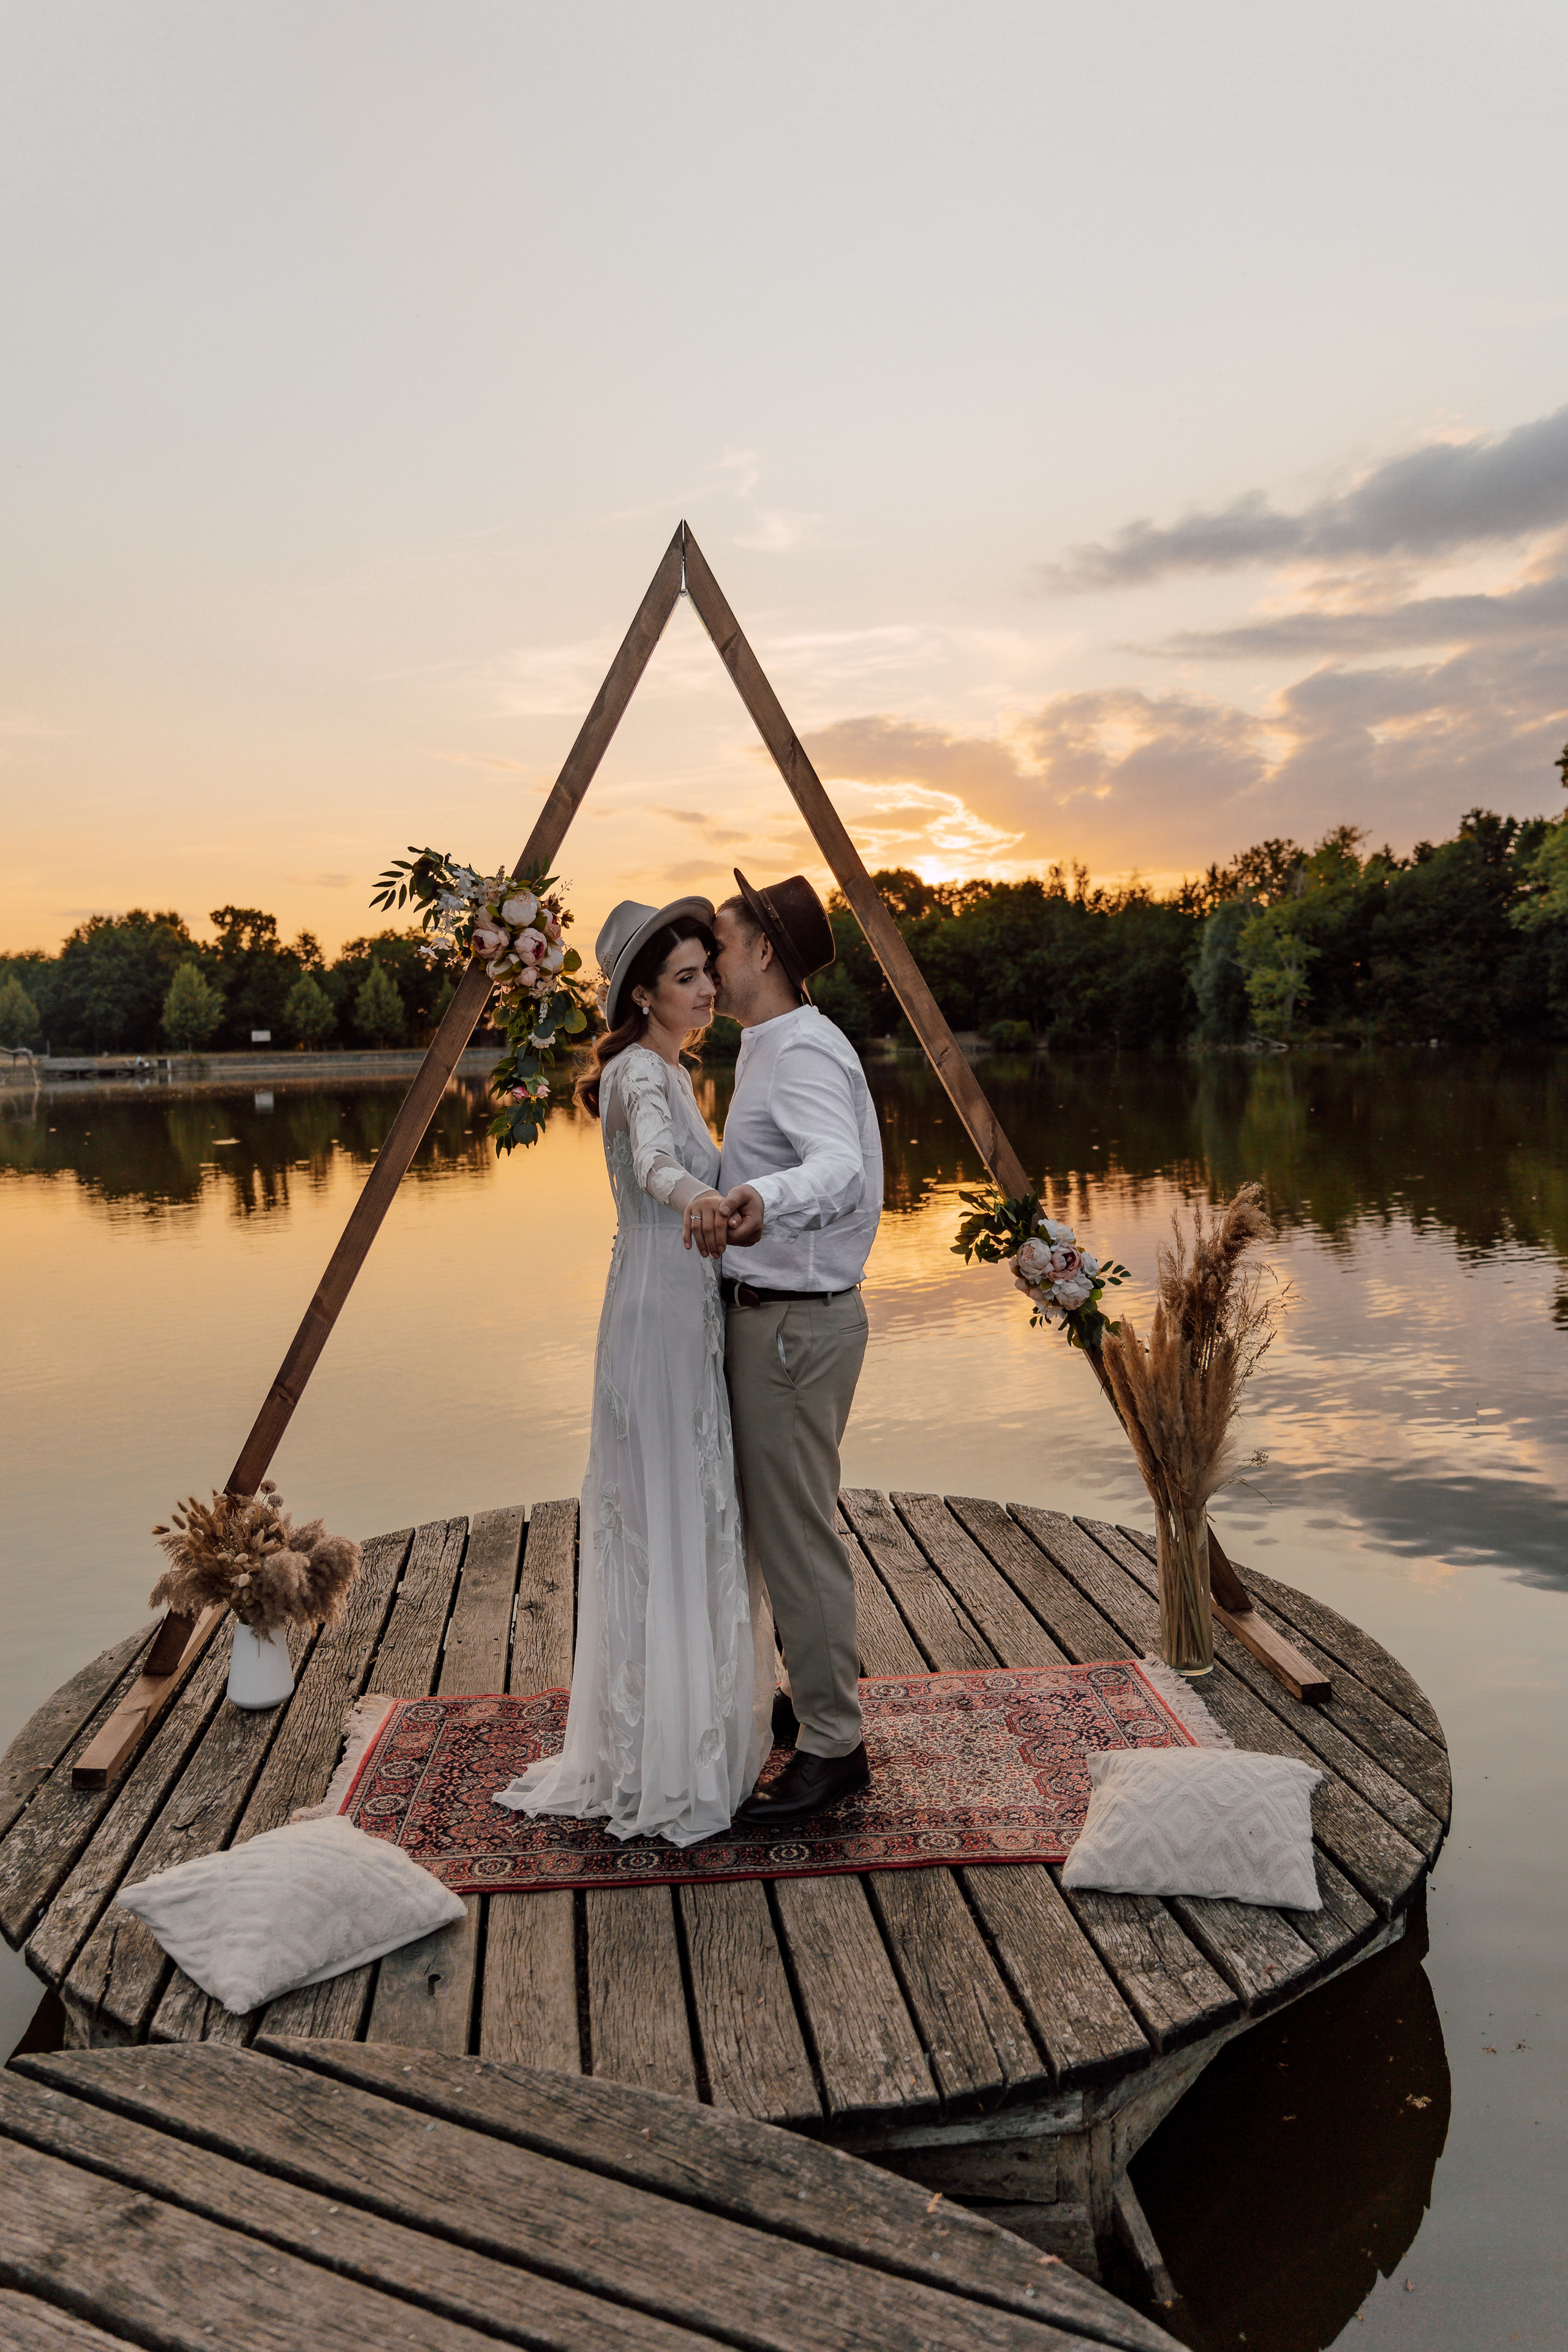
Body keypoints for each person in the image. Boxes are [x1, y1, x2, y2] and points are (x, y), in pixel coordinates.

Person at [492, 897, 772, 1846]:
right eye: (687, 977)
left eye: (707, 972)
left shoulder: (667, 1070)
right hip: (659, 1303)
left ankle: (678, 1730)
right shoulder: (638, 1078)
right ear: (644, 992)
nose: (707, 989)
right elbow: (655, 1164)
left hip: (670, 1298)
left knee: (684, 1505)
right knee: (667, 1507)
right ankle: (665, 1755)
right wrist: (701, 1195)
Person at [703, 870, 884, 1829]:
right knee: (781, 1527)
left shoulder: (802, 1049)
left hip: (794, 1327)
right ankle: (812, 1697)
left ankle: (834, 1750)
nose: (710, 961)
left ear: (764, 952)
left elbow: (839, 1168)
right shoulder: (769, 1045)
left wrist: (762, 1202)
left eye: (722, 943)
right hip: (777, 1318)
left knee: (797, 1534)